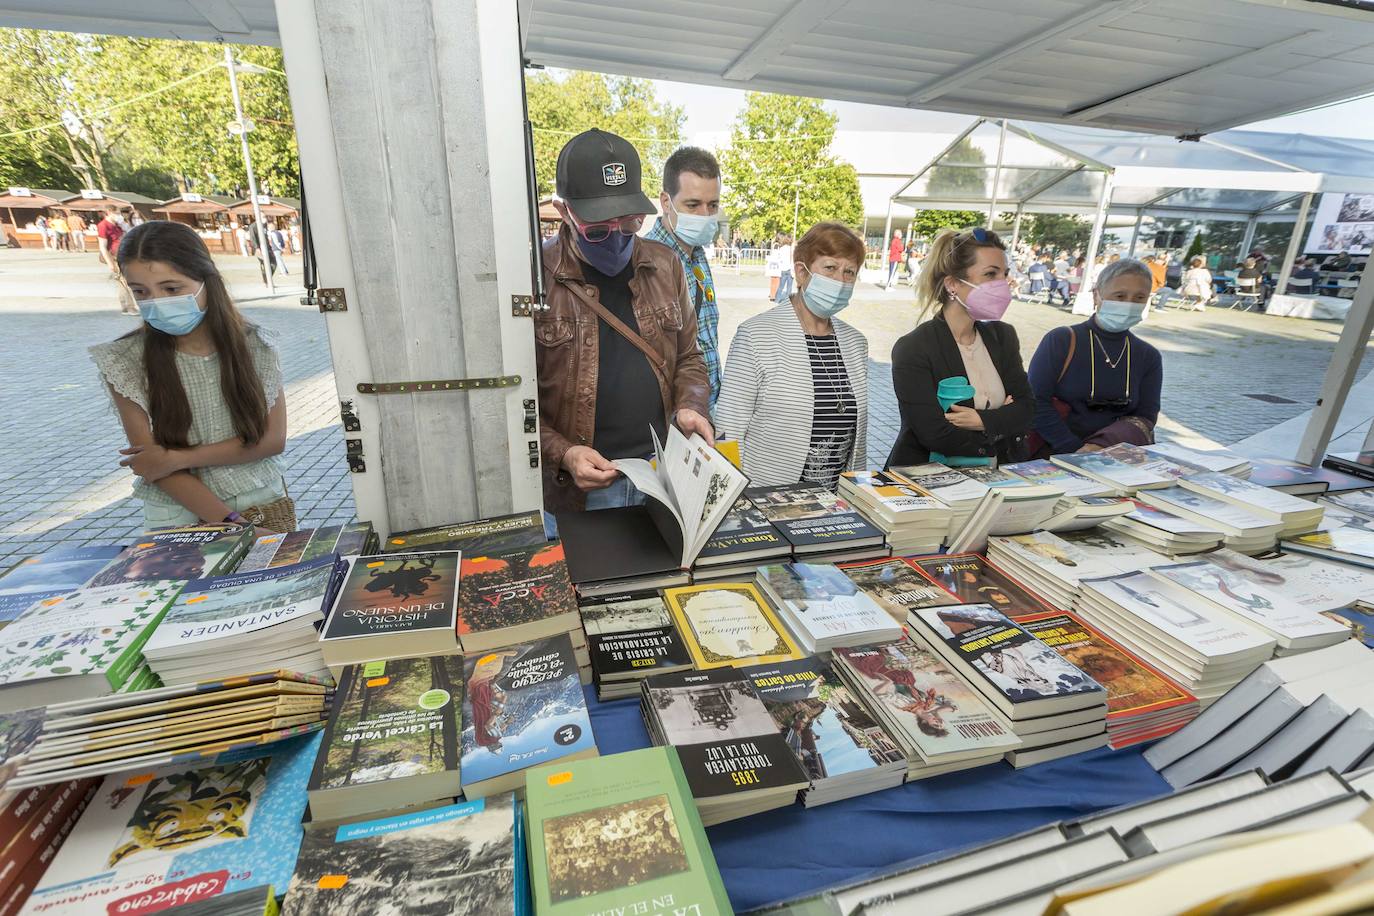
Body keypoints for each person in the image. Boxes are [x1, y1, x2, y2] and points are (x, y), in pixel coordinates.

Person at [535, 128, 713, 512]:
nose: (617, 239)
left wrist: (691, 405)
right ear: (564, 211)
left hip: (661, 474)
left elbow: (689, 358)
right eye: (598, 230)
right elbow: (515, 405)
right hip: (582, 492)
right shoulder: (534, 277)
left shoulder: (666, 264)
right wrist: (564, 454)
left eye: (630, 223)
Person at [88, 221, 291, 531]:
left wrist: (177, 458)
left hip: (261, 500)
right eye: (141, 292)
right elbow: (153, 465)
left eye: (172, 289)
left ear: (206, 280)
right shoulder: (123, 360)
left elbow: (271, 440)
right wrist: (232, 524)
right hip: (176, 513)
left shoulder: (256, 346)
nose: (156, 302)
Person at [716, 222, 869, 489]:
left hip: (835, 504)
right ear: (801, 272)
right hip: (767, 499)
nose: (841, 281)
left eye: (849, 272)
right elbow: (728, 431)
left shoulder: (856, 343)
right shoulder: (756, 335)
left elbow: (857, 439)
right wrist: (732, 499)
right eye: (830, 268)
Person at [887, 226, 1032, 467]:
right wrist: (1001, 423)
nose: (1003, 284)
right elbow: (933, 433)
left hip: (1000, 478)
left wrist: (982, 421)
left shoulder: (1003, 337)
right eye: (990, 274)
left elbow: (1027, 408)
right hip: (930, 479)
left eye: (1004, 275)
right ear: (953, 284)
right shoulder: (914, 348)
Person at [1026, 258, 1162, 457]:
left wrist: (1099, 448)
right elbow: (1035, 401)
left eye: (1139, 297)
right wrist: (1076, 452)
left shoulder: (1148, 355)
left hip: (1116, 457)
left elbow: (1146, 416)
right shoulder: (1061, 340)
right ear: (1097, 295)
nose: (1129, 304)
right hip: (1055, 454)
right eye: (1120, 296)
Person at [647, 146, 722, 407]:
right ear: (666, 202)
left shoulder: (697, 254)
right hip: (674, 417)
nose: (705, 215)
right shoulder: (647, 262)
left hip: (705, 410)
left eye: (713, 205)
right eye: (693, 205)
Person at [97, 204, 138, 316]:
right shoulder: (103, 225)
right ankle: (130, 307)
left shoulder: (117, 224)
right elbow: (102, 246)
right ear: (109, 213)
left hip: (123, 254)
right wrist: (110, 262)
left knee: (122, 282)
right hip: (114, 256)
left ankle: (125, 307)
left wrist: (123, 224)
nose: (119, 216)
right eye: (117, 214)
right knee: (125, 282)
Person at [774, 233, 795, 303]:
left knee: (781, 286)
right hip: (790, 269)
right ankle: (787, 302)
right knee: (789, 287)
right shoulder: (791, 249)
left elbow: (778, 258)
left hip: (783, 269)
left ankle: (777, 300)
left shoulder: (781, 248)